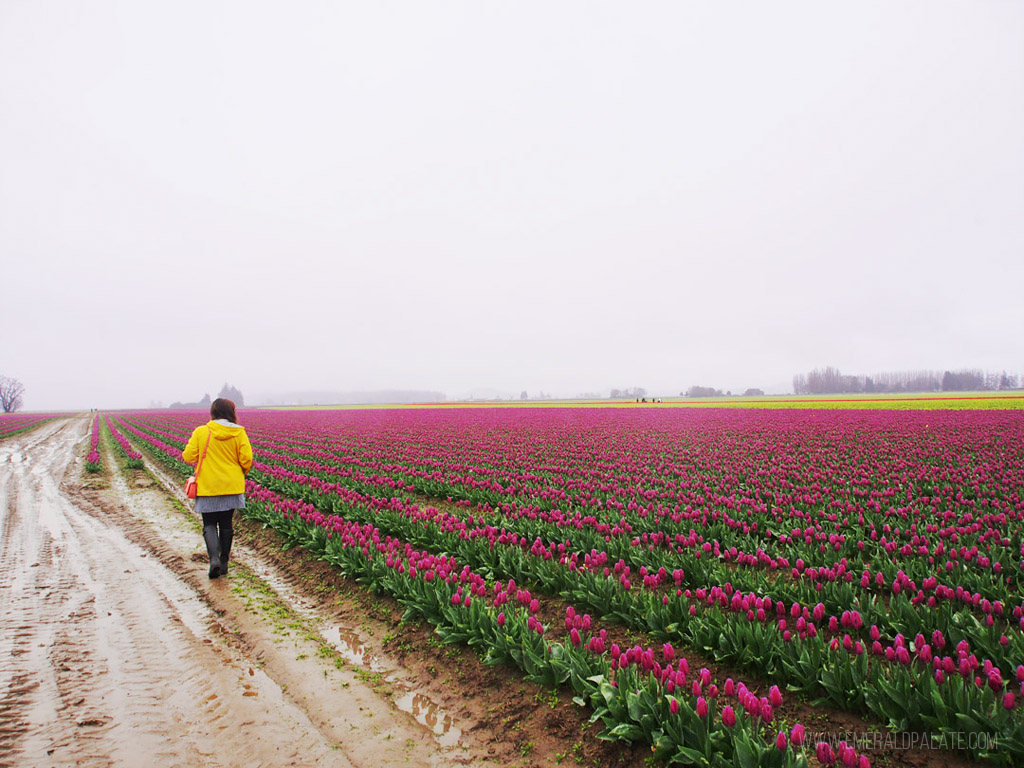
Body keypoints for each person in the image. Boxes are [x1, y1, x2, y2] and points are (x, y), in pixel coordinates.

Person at [182, 398, 253, 578]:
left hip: (208, 486)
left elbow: (188, 455)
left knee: (210, 524)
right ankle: (224, 562)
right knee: (226, 523)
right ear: (232, 413)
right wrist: (239, 472)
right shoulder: (239, 433)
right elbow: (247, 459)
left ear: (213, 412)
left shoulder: (202, 432)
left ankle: (213, 559)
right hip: (231, 485)